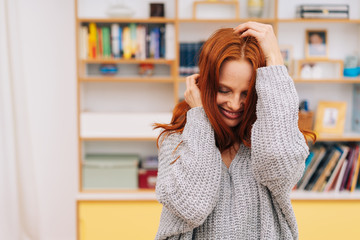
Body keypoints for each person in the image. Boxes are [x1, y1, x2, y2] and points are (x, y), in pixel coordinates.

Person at [153, 21, 316, 240]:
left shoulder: (270, 137)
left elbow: (281, 165)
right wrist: (200, 118)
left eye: (246, 93)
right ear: (204, 84)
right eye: (224, 90)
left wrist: (275, 62)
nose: (235, 104)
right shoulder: (176, 141)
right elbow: (192, 206)